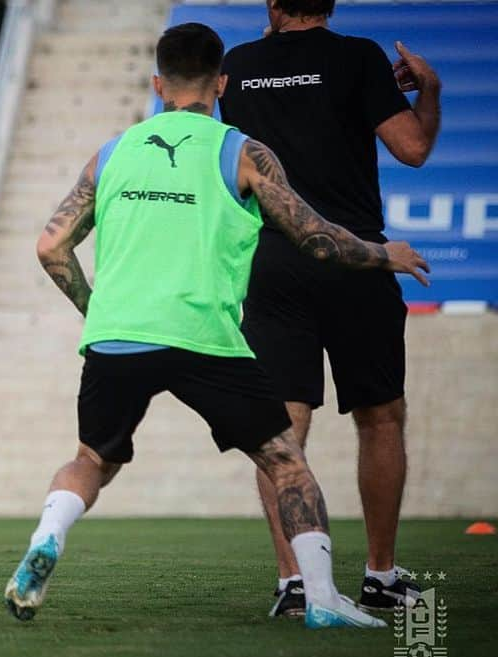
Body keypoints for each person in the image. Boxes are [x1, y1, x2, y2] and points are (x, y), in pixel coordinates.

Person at [3, 22, 430, 629]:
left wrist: (94, 309)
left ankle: (47, 538)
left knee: (91, 460)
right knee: (286, 462)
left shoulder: (113, 152)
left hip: (119, 335)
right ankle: (324, 600)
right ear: (222, 83)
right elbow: (315, 238)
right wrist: (385, 253)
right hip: (204, 338)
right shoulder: (243, 152)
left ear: (157, 83)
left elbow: (50, 246)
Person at [218, 0, 441, 616]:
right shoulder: (359, 57)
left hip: (272, 259)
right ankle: (382, 576)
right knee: (380, 417)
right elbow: (414, 148)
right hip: (356, 258)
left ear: (272, 4)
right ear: (331, 3)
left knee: (280, 432)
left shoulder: (238, 66)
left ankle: (294, 583)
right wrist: (430, 92)